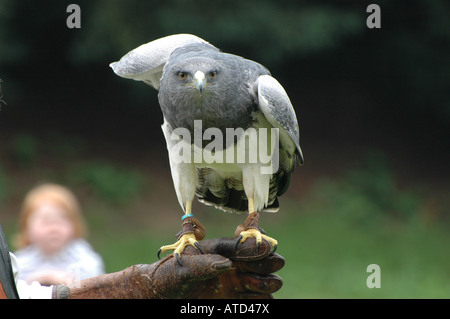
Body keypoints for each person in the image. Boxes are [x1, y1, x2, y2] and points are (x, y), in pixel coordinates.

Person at [13, 183, 105, 286]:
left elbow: (93, 286)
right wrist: (43, 278)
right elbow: (14, 289)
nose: (54, 228)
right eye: (46, 222)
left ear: (75, 225)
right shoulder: (19, 263)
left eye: (61, 221)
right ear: (26, 228)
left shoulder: (84, 258)